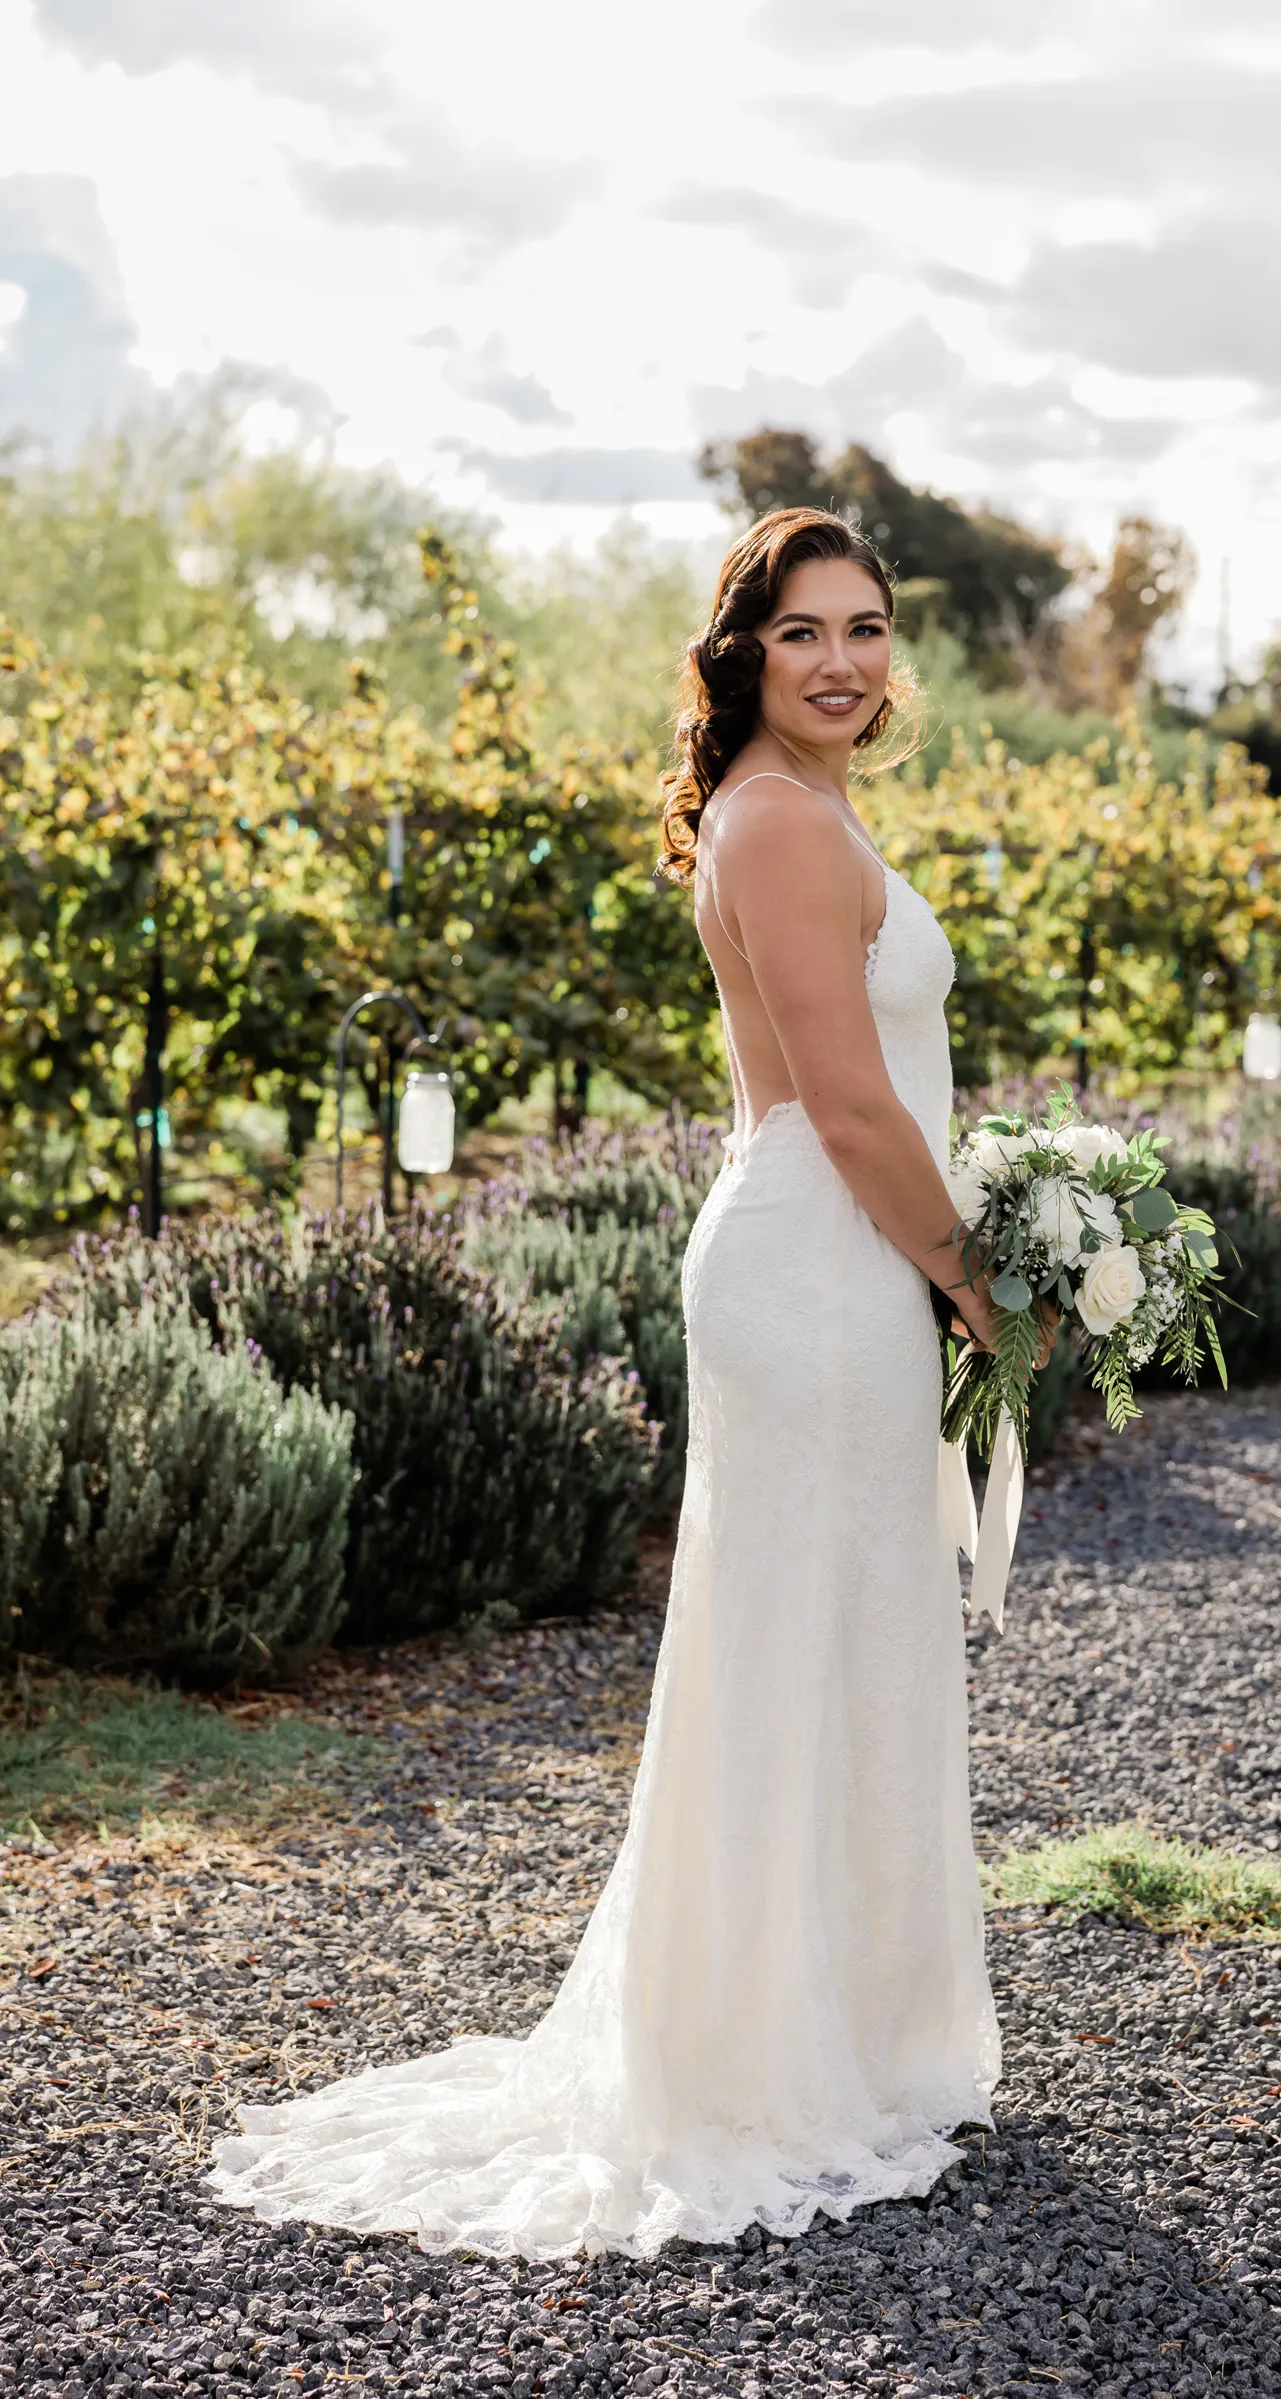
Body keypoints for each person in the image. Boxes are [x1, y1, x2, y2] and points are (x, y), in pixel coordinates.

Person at [208, 506, 1019, 2260]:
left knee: (836, 1632)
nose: (843, 661)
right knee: (801, 1638)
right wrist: (981, 1284)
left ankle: (843, 2030)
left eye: (868, 630)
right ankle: (767, 2057)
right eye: (805, 631)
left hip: (835, 1253)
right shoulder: (780, 822)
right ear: (743, 653)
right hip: (826, 1261)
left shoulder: (807, 809)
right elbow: (852, 1104)